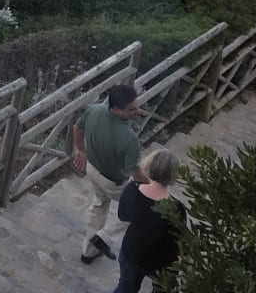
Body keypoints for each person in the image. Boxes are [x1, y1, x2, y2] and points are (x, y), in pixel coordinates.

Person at [72, 83, 145, 264]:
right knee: (139, 209)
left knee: (99, 207)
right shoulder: (129, 139)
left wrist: (81, 150)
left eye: (136, 107)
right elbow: (136, 173)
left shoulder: (94, 110)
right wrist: (151, 188)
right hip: (114, 183)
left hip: (92, 169)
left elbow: (77, 128)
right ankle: (104, 237)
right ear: (115, 109)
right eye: (131, 110)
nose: (136, 112)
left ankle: (88, 252)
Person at [114, 150, 187, 293]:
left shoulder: (133, 189)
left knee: (125, 288)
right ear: (173, 174)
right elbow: (178, 241)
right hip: (160, 262)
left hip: (132, 251)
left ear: (149, 165)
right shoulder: (176, 208)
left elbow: (123, 215)